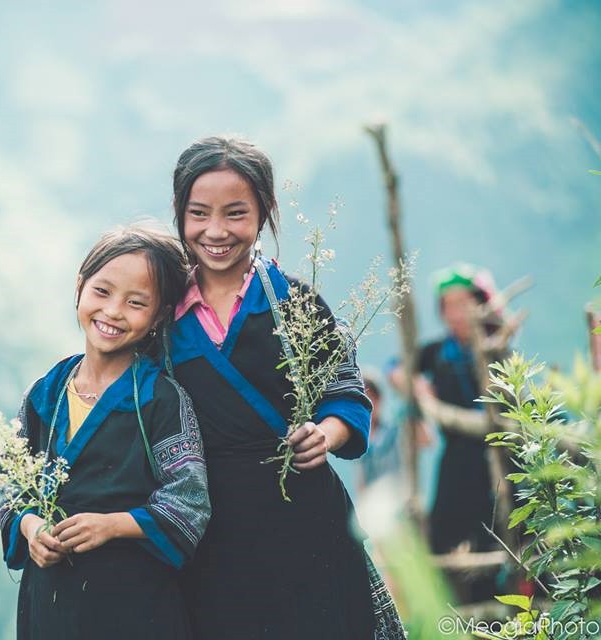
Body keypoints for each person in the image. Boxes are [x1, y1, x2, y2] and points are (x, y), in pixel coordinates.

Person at [167, 136, 380, 639]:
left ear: (263, 213)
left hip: (303, 525)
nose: (215, 231)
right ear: (179, 214)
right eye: (199, 214)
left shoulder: (297, 304)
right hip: (205, 534)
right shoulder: (160, 310)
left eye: (235, 213)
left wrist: (324, 435)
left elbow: (347, 397)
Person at [0, 224, 211, 640]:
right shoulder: (46, 393)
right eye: (102, 292)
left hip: (135, 607)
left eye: (135, 302)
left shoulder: (160, 399)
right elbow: (10, 479)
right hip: (50, 605)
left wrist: (113, 525)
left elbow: (190, 503)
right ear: (80, 287)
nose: (112, 312)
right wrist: (31, 527)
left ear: (158, 316)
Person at [389, 264, 500, 563]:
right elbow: (397, 369)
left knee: (496, 533)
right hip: (455, 456)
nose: (456, 313)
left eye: (463, 303)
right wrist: (419, 398)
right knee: (443, 536)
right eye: (448, 306)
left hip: (495, 458)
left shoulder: (496, 351)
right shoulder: (438, 352)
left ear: (481, 304)